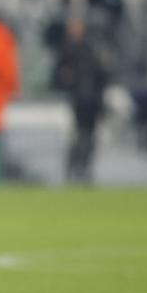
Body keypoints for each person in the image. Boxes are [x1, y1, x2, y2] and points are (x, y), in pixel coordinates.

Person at [52, 18, 109, 182]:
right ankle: (74, 167)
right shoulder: (68, 51)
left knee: (89, 136)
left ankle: (83, 168)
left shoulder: (90, 50)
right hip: (77, 100)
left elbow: (101, 76)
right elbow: (59, 77)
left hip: (92, 100)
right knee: (80, 135)